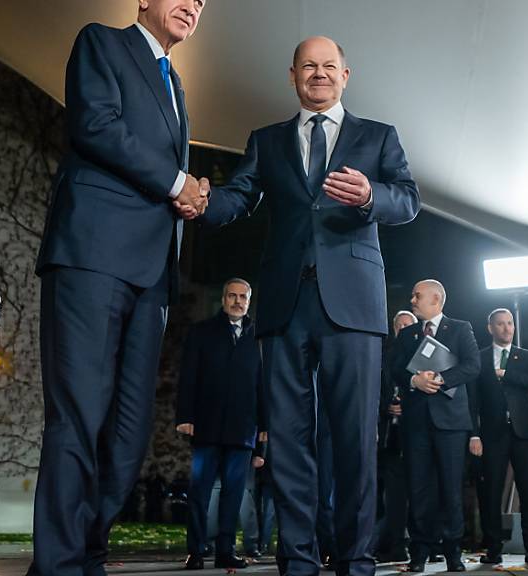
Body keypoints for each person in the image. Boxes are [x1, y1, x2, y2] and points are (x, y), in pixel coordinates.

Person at [192, 35, 421, 576]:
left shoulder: (378, 136)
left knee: (355, 439)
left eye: (329, 66)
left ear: (346, 74)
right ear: (292, 75)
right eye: (308, 66)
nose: (318, 74)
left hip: (354, 308)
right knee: (289, 443)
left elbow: (408, 199)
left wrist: (370, 195)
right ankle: (296, 560)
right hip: (284, 304)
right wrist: (203, 200)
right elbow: (240, 196)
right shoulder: (266, 140)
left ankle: (355, 559)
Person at [29, 1, 209, 574]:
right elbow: (96, 126)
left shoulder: (177, 83)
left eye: (202, 1)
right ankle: (57, 565)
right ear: (144, 1)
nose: (193, 5)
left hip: (151, 276)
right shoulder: (102, 43)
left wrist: (190, 192)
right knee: (78, 416)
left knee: (128, 436)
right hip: (92, 256)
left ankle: (88, 555)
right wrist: (179, 181)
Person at [391, 280, 480, 573]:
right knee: (418, 489)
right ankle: (419, 552)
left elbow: (472, 365)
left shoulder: (460, 328)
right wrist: (414, 380)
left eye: (418, 295)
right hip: (416, 423)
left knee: (451, 489)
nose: (412, 299)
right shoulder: (407, 333)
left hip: (451, 423)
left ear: (437, 299)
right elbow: (394, 368)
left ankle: (453, 552)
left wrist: (440, 380)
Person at [176, 279, 263, 569]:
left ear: (249, 301)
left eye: (243, 297)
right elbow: (188, 376)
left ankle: (226, 550)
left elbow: (263, 385)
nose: (238, 301)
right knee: (199, 492)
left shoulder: (259, 337)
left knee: (233, 494)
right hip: (207, 425)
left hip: (243, 428)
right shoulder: (202, 333)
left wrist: (264, 426)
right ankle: (197, 550)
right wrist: (185, 416)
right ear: (223, 299)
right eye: (232, 296)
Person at [469, 309, 528, 564]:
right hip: (492, 435)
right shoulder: (478, 358)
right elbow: (473, 401)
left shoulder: (527, 355)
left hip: (522, 433)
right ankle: (493, 550)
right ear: (490, 328)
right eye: (500, 324)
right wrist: (474, 435)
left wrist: (505, 374)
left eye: (510, 323)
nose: (507, 328)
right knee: (491, 492)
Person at [374, 311, 417, 562]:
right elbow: (376, 389)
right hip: (390, 437)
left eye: (407, 325)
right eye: (399, 325)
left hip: (419, 435)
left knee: (420, 493)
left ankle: (426, 543)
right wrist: (387, 406)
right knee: (392, 495)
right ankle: (394, 544)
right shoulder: (384, 356)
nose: (402, 329)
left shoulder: (427, 354)